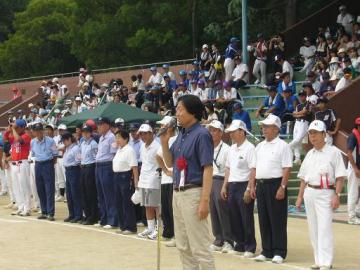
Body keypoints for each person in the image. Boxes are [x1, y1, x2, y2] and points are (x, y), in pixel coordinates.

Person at [160, 95, 215, 269]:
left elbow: (208, 168)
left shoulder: (202, 134)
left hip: (193, 193)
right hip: (177, 192)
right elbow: (170, 163)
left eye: (180, 109)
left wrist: (204, 201)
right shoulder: (180, 136)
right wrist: (164, 141)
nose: (177, 113)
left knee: (199, 245)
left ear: (192, 112)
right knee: (183, 245)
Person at [296, 120, 346, 270]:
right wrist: (299, 197)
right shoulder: (310, 154)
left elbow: (340, 176)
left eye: (316, 133)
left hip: (326, 193)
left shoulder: (334, 152)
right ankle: (318, 260)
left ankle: (326, 261)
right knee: (313, 228)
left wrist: (336, 194)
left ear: (324, 134)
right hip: (309, 193)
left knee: (324, 228)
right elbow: (303, 178)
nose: (313, 136)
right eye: (311, 133)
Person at [250, 114, 292, 264]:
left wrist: (282, 187)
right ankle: (266, 250)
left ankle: (279, 251)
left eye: (267, 126)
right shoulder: (259, 146)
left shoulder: (283, 145)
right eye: (263, 127)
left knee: (277, 219)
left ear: (276, 128)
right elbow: (254, 168)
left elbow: (287, 168)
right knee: (263, 219)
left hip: (276, 184)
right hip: (261, 185)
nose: (263, 129)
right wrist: (251, 185)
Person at [221, 120, 256, 258]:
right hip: (232, 185)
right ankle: (240, 244)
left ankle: (250, 246)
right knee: (234, 216)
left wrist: (249, 188)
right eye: (230, 132)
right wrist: (225, 186)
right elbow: (228, 168)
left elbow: (253, 169)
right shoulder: (231, 148)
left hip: (244, 184)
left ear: (242, 131)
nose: (231, 135)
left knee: (246, 217)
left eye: (233, 132)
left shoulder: (250, 148)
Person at [206, 120, 233, 253]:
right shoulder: (207, 147)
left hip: (221, 180)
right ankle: (218, 239)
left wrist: (225, 185)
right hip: (209, 180)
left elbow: (229, 169)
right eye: (210, 130)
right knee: (213, 211)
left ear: (221, 133)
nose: (211, 133)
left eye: (215, 130)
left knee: (223, 211)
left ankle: (228, 240)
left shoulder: (227, 149)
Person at [155, 116, 177, 247]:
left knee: (173, 208)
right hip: (165, 180)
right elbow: (158, 156)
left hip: (175, 180)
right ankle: (168, 232)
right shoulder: (164, 140)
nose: (161, 127)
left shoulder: (176, 139)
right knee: (166, 208)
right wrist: (165, 170)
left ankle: (176, 234)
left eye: (164, 125)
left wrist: (170, 171)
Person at [137, 124, 161, 240]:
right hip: (144, 178)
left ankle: (159, 229)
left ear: (152, 133)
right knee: (147, 205)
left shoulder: (157, 146)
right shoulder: (142, 146)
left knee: (156, 205)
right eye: (141, 134)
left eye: (145, 133)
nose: (143, 136)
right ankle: (150, 228)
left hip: (154, 179)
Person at [30, 122, 58, 221]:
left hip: (48, 164)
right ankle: (44, 211)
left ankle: (50, 213)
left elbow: (55, 155)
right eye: (36, 131)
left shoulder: (51, 141)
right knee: (40, 189)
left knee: (49, 189)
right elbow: (33, 153)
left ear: (43, 131)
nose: (38, 132)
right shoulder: (32, 142)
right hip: (38, 164)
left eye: (40, 130)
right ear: (33, 132)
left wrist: (50, 164)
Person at [113, 130, 138, 234]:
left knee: (127, 202)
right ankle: (123, 226)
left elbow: (134, 168)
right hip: (117, 176)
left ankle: (131, 227)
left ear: (126, 139)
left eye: (119, 137)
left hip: (125, 176)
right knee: (118, 202)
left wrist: (136, 183)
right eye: (116, 138)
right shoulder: (119, 150)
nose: (117, 140)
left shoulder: (129, 150)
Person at [95, 117, 118, 229]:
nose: (98, 126)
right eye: (98, 124)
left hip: (107, 166)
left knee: (109, 194)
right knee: (101, 194)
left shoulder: (111, 137)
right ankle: (104, 219)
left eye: (101, 124)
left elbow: (114, 154)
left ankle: (112, 220)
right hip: (99, 165)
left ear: (107, 125)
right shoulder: (101, 138)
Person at [9, 119, 32, 216]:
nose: (16, 128)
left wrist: (14, 129)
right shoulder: (14, 136)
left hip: (23, 163)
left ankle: (27, 208)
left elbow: (20, 140)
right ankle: (20, 206)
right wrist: (11, 128)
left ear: (23, 127)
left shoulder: (26, 136)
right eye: (16, 127)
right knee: (16, 187)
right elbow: (7, 137)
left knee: (24, 186)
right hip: (14, 164)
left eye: (17, 127)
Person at [79, 125, 99, 225]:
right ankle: (87, 215)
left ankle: (93, 216)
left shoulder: (93, 143)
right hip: (83, 167)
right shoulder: (82, 143)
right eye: (83, 132)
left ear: (91, 133)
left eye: (87, 132)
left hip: (90, 167)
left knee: (91, 193)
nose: (85, 134)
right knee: (84, 193)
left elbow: (96, 158)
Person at [62, 132, 82, 223]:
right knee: (69, 194)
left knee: (75, 193)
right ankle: (72, 214)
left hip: (74, 170)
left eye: (65, 140)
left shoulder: (75, 148)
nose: (64, 142)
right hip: (68, 170)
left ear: (70, 139)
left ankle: (78, 215)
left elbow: (78, 161)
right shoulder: (67, 149)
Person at [289, 90, 311, 165]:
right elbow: (294, 115)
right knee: (296, 140)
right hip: (297, 123)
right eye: (300, 95)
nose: (301, 97)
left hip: (304, 123)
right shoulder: (298, 106)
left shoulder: (308, 103)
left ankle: (287, 147)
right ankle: (297, 158)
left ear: (305, 96)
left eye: (303, 95)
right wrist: (299, 114)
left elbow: (305, 112)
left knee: (298, 139)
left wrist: (297, 113)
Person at [346, 117, 360, 225]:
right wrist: (355, 169)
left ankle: (358, 211)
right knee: (353, 192)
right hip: (354, 169)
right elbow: (349, 153)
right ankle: (351, 216)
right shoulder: (353, 136)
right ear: (357, 126)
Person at [53, 124, 67, 202]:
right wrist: (60, 148)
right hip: (58, 158)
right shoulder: (56, 138)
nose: (61, 131)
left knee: (65, 177)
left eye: (63, 130)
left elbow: (65, 147)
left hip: (64, 158)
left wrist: (59, 148)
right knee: (59, 177)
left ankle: (67, 195)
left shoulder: (67, 137)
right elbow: (54, 148)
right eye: (60, 130)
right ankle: (61, 195)